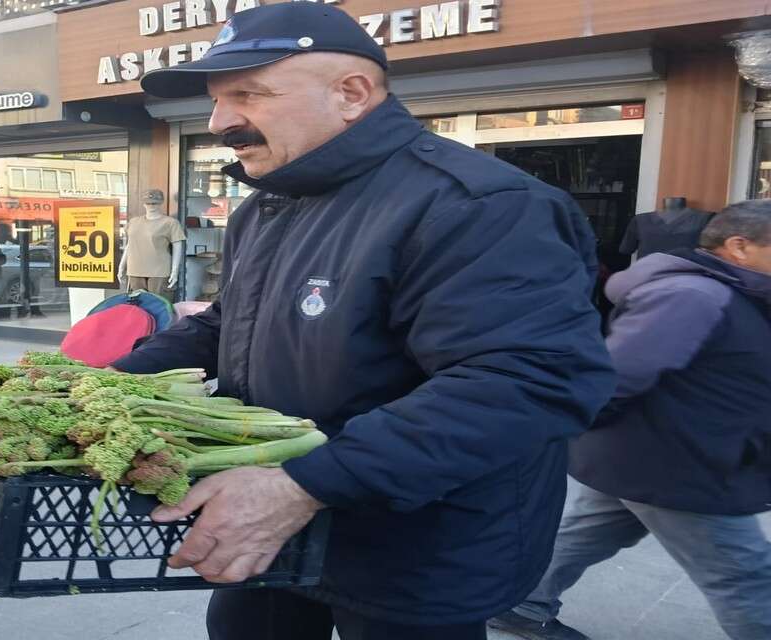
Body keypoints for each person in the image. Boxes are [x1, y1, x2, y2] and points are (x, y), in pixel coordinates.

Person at [114, 5, 615, 639]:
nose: (220, 122)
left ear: (351, 94)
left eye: (247, 93)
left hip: (413, 550)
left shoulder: (477, 205)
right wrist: (98, 382)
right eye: (217, 100)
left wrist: (303, 484)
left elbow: (529, 379)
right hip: (271, 526)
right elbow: (226, 324)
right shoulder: (268, 207)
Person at [490, 201, 771, 640]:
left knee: (583, 536)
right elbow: (617, 375)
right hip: (680, 463)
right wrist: (578, 425)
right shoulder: (694, 296)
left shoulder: (732, 292)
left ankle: (521, 603)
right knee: (745, 575)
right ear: (739, 246)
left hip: (648, 455)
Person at [118, 188, 186, 297]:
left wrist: (175, 271)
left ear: (161, 203)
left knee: (158, 306)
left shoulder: (170, 223)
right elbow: (129, 245)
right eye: (148, 203)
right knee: (137, 307)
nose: (151, 206)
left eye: (155, 203)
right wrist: (121, 266)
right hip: (135, 270)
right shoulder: (134, 222)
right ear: (144, 204)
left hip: (159, 272)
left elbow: (178, 247)